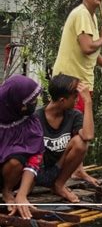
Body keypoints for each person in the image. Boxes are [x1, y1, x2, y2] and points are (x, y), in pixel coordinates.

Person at [52, 0, 102, 182]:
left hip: (80, 80)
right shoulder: (82, 13)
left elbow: (93, 52)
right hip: (71, 81)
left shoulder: (91, 15)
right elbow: (87, 47)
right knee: (77, 129)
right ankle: (65, 172)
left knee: (78, 127)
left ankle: (77, 168)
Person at [35, 74, 96, 203]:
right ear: (62, 100)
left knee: (81, 142)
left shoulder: (74, 115)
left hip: (59, 171)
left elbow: (88, 135)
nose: (76, 100)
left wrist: (88, 102)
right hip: (37, 174)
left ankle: (59, 185)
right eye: (75, 97)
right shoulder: (36, 118)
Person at [0, 74, 44, 219]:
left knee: (16, 161)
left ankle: (7, 191)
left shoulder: (30, 121)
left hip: (12, 173)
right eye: (29, 102)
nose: (33, 104)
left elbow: (36, 155)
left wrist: (22, 194)